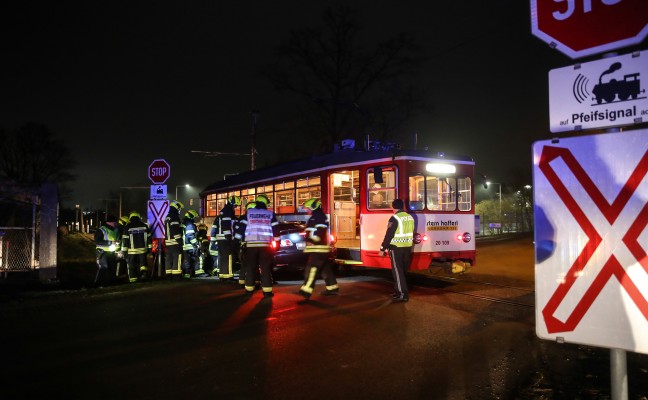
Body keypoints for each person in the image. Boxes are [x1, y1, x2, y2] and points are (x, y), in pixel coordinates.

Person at [234, 193, 279, 298]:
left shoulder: (249, 213)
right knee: (265, 269)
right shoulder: (270, 214)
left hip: (251, 246)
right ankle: (267, 292)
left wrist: (236, 241)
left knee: (250, 268)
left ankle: (249, 290)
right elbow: (276, 230)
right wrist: (278, 243)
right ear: (264, 204)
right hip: (265, 246)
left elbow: (241, 228)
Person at [298, 198, 338, 300]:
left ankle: (306, 291)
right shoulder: (318, 216)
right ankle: (332, 287)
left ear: (313, 207)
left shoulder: (318, 217)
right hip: (320, 248)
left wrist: (311, 240)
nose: (307, 210)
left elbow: (319, 232)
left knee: (311, 269)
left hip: (317, 248)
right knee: (325, 269)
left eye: (308, 208)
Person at [379, 199, 414, 302]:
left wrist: (382, 248)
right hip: (407, 247)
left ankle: (403, 294)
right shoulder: (410, 217)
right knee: (402, 271)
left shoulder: (395, 218)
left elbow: (389, 235)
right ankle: (398, 292)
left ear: (393, 207)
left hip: (396, 247)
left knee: (397, 272)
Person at [212, 195, 240, 281]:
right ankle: (228, 276)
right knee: (229, 257)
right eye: (235, 206)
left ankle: (223, 275)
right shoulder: (228, 212)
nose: (236, 207)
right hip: (225, 238)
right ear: (232, 204)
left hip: (221, 238)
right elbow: (226, 226)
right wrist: (229, 237)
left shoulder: (224, 212)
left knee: (224, 257)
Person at [121, 211, 152, 283]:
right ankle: (143, 275)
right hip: (143, 251)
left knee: (131, 266)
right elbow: (149, 239)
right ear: (138, 217)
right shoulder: (144, 226)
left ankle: (133, 280)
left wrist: (124, 252)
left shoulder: (128, 226)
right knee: (143, 264)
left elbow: (125, 241)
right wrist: (149, 250)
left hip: (132, 251)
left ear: (131, 217)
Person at [94, 215, 120, 287]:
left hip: (112, 253)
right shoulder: (101, 230)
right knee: (103, 268)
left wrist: (118, 249)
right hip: (102, 253)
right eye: (115, 222)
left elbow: (117, 241)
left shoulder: (116, 230)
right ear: (110, 222)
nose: (116, 224)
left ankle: (111, 284)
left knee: (112, 268)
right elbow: (97, 241)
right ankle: (98, 285)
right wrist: (110, 243)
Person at [164, 200, 184, 278]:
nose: (179, 210)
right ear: (176, 207)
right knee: (177, 257)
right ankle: (176, 275)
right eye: (179, 208)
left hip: (168, 242)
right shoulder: (175, 217)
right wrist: (180, 241)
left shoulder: (167, 217)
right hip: (175, 242)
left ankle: (168, 274)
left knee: (169, 258)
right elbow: (175, 230)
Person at [181, 209, 200, 278]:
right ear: (191, 216)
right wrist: (196, 244)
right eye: (194, 217)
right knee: (191, 261)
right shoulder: (189, 224)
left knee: (187, 261)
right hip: (190, 246)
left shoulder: (185, 223)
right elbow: (190, 235)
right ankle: (190, 275)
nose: (194, 219)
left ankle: (187, 275)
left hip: (185, 246)